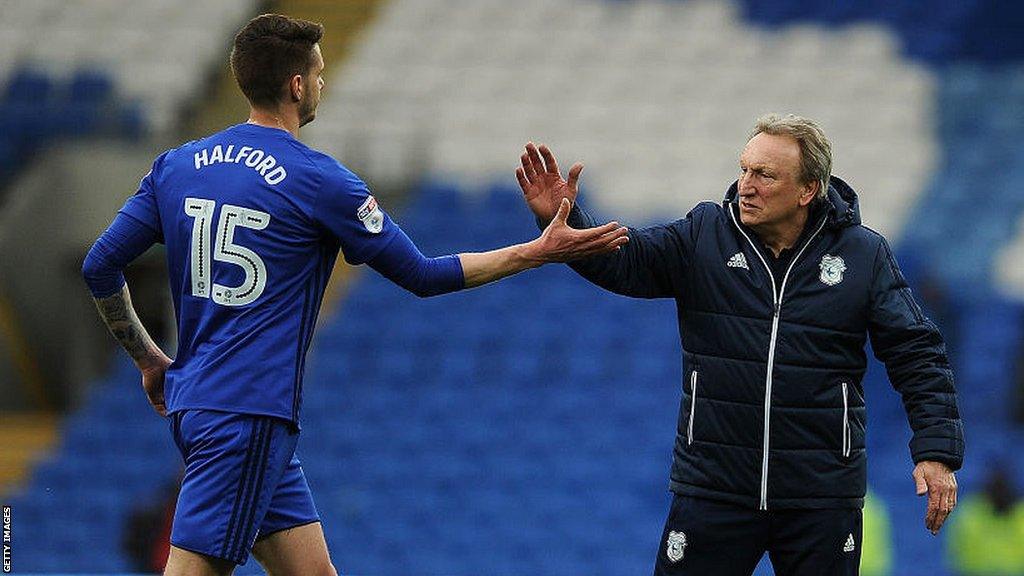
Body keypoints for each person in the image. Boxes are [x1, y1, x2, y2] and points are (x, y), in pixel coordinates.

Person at [81, 14, 628, 576]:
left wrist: (148, 359)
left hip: (204, 405)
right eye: (317, 75)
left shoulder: (176, 166)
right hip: (247, 415)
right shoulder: (321, 181)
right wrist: (537, 251)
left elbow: (100, 265)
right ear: (296, 86)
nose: (322, 84)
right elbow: (423, 275)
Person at [515, 114, 964, 576]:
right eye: (744, 169)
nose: (746, 185)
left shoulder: (862, 255)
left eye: (765, 175)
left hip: (820, 497)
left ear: (808, 190)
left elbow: (918, 352)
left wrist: (936, 451)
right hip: (714, 489)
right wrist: (565, 219)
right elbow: (626, 260)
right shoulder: (704, 234)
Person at [948, 465, 1024, 575]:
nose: (1000, 494)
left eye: (1003, 489)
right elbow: (956, 558)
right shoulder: (970, 513)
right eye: (996, 489)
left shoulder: (1021, 515)